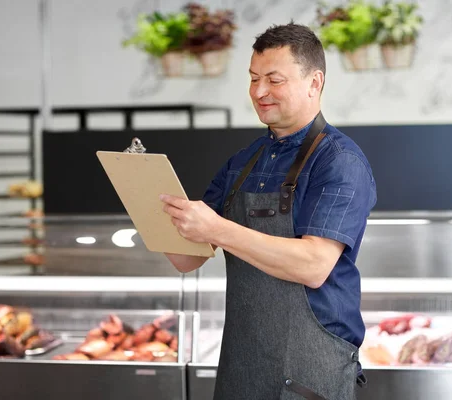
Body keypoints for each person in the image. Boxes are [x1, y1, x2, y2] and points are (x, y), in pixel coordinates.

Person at [160, 22, 377, 400]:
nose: (260, 92)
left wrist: (216, 229)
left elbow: (312, 265)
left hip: (311, 372)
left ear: (315, 82)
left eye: (274, 80)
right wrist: (148, 200)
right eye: (254, 78)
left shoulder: (339, 161)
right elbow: (184, 258)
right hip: (241, 366)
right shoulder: (241, 163)